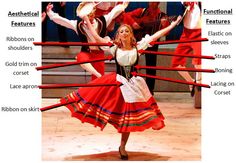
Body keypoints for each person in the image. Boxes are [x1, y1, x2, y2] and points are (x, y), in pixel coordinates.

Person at [59, 13, 182, 160]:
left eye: (127, 31)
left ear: (131, 35)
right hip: (118, 83)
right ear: (118, 35)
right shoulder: (114, 48)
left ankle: (122, 146)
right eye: (121, 31)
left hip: (134, 86)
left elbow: (156, 35)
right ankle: (120, 143)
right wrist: (86, 21)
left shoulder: (139, 46)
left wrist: (173, 25)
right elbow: (97, 38)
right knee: (110, 109)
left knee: (128, 119)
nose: (124, 33)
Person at [46, 2, 128, 80]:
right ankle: (98, 75)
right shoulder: (78, 25)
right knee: (80, 58)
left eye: (89, 16)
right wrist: (50, 12)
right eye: (84, 17)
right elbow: (62, 21)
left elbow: (113, 12)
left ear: (93, 15)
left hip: (98, 53)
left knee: (98, 81)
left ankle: (98, 79)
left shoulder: (102, 21)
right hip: (87, 52)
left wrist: (123, 6)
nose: (86, 20)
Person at [114, 2, 176, 94]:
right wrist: (133, 23)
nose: (151, 3)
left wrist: (164, 25)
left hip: (151, 42)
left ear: (158, 3)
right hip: (137, 40)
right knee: (132, 63)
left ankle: (150, 90)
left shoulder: (162, 16)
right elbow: (126, 15)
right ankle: (130, 85)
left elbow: (165, 33)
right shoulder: (141, 11)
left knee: (151, 66)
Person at [171, 2, 202, 96]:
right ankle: (191, 82)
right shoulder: (182, 3)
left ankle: (200, 84)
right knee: (175, 63)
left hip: (200, 33)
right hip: (186, 33)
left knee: (198, 62)